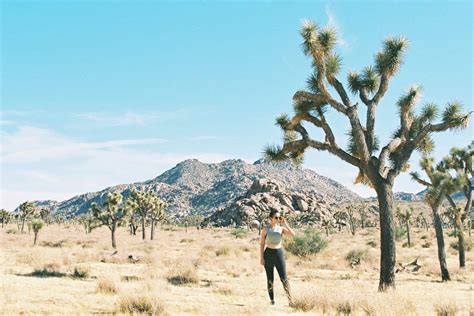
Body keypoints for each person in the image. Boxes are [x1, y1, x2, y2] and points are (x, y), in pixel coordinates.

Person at [260, 209, 295, 306]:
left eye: (279, 217)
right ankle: (272, 300)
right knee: (270, 279)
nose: (278, 219)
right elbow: (262, 243)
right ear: (271, 218)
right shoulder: (265, 229)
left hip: (279, 253)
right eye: (276, 217)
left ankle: (290, 300)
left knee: (284, 278)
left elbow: (293, 234)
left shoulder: (281, 229)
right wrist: (262, 257)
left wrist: (285, 224)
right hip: (268, 254)